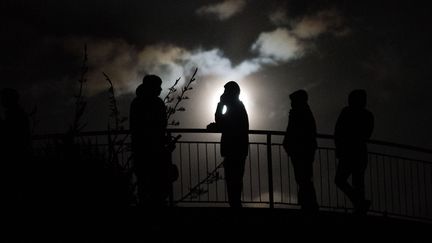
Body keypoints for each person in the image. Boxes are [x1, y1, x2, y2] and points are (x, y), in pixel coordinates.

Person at [130, 75, 172, 208]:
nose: (160, 89)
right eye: (158, 86)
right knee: (155, 185)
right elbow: (161, 125)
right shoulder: (156, 103)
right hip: (153, 150)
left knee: (144, 184)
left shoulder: (137, 103)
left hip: (142, 149)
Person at [208, 81, 249, 208]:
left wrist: (220, 104)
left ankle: (236, 208)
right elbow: (223, 122)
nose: (224, 93)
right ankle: (235, 206)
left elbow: (221, 121)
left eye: (226, 91)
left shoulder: (235, 107)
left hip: (234, 150)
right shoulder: (236, 106)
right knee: (234, 181)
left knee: (233, 181)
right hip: (237, 149)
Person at [334, 89, 374, 215]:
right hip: (360, 152)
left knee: (340, 180)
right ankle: (359, 205)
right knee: (358, 182)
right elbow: (367, 135)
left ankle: (359, 204)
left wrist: (339, 147)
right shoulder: (368, 115)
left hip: (349, 151)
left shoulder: (347, 112)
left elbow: (338, 131)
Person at [282, 90, 319, 215]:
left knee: (304, 179)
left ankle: (309, 207)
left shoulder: (300, 113)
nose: (291, 104)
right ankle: (309, 205)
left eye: (293, 101)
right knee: (304, 179)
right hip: (301, 151)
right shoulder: (304, 112)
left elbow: (296, 132)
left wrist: (289, 144)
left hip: (301, 151)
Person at [0, 88, 32, 207]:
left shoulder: (16, 115)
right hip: (18, 157)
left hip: (15, 158)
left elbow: (9, 136)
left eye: (3, 98)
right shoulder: (18, 115)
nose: (1, 101)